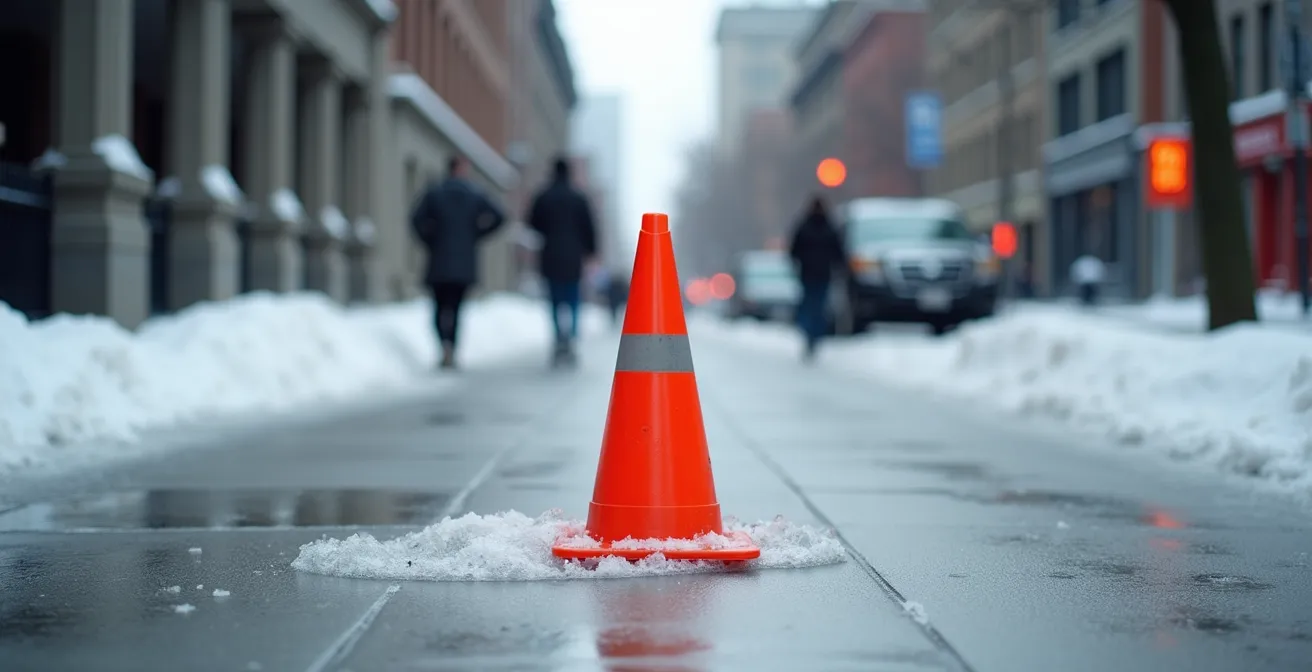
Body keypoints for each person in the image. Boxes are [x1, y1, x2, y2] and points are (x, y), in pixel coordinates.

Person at [410, 155, 506, 369]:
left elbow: (415, 220)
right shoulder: (475, 194)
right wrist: (477, 234)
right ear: (461, 170)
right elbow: (500, 216)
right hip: (464, 264)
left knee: (438, 307)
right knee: (456, 309)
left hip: (438, 262)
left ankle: (444, 345)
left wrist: (430, 239)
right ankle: (451, 348)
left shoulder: (435, 193)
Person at [528, 156, 598, 366]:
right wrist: (591, 251)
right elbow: (589, 227)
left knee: (554, 300)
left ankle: (559, 337)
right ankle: (571, 338)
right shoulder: (579, 198)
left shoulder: (543, 197)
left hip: (550, 255)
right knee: (573, 299)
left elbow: (532, 223)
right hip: (573, 257)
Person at [788, 195, 847, 361]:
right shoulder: (828, 228)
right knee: (817, 306)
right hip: (820, 274)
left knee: (810, 306)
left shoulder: (805, 227)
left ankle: (811, 334)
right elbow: (838, 252)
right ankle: (814, 335)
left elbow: (794, 250)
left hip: (810, 274)